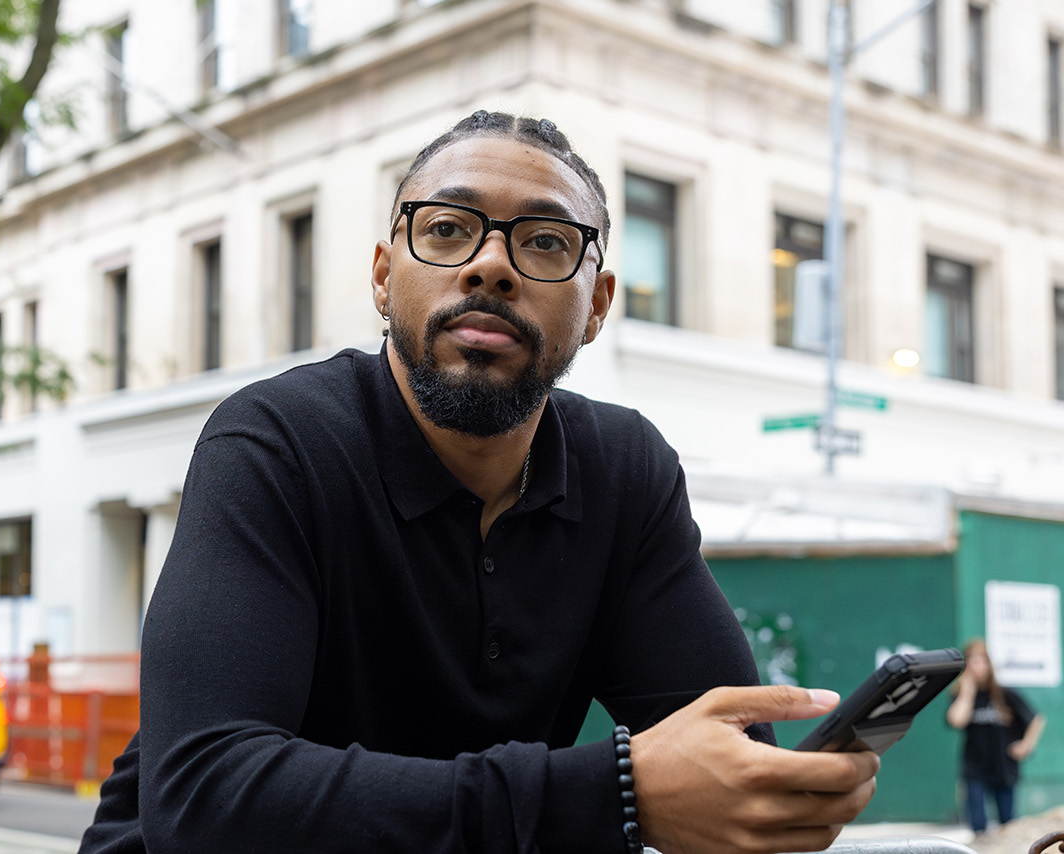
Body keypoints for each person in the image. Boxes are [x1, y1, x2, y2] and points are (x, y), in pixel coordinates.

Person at [79, 110, 878, 854]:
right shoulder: (275, 442)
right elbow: (204, 800)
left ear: (597, 305)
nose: (491, 265)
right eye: (450, 230)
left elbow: (726, 758)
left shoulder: (625, 471)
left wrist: (774, 794)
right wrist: (613, 793)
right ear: (385, 276)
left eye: (544, 242)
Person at [947, 637, 1046, 834]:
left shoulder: (1004, 694)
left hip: (1003, 765)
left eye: (980, 660)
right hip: (975, 767)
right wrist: (967, 691)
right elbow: (955, 721)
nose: (977, 666)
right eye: (972, 661)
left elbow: (1036, 719)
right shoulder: (962, 695)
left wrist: (1026, 745)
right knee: (978, 825)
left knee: (1008, 825)